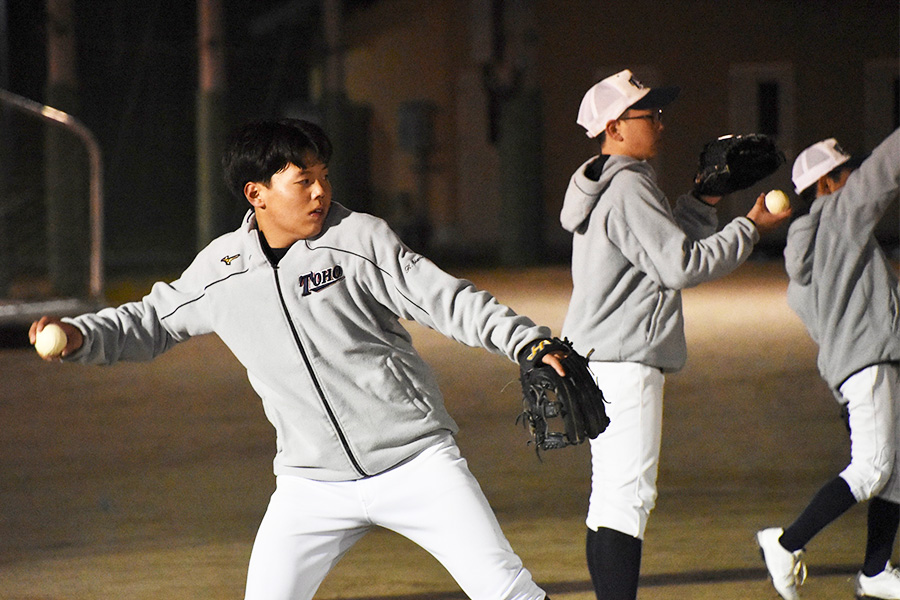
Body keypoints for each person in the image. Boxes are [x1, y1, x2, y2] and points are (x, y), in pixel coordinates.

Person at [29, 118, 567, 600]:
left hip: (416, 463)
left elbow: (445, 299)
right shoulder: (222, 268)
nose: (320, 192)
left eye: (324, 176)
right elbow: (148, 321)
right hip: (310, 487)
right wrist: (77, 336)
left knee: (507, 592)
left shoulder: (357, 237)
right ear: (256, 194)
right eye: (302, 180)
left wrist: (527, 341)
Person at [558, 69, 790, 600]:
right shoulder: (630, 185)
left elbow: (654, 251)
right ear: (614, 126)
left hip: (602, 357)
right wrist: (749, 226)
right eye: (649, 115)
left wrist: (704, 201)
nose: (661, 124)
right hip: (626, 361)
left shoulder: (604, 180)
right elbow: (680, 264)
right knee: (628, 501)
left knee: (610, 500)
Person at [756, 129, 900, 600]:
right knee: (873, 469)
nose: (856, 176)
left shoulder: (806, 265)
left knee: (895, 472)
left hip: (856, 370)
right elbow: (886, 168)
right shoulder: (841, 217)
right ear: (827, 183)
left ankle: (876, 573)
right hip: (869, 365)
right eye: (846, 172)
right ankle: (785, 542)